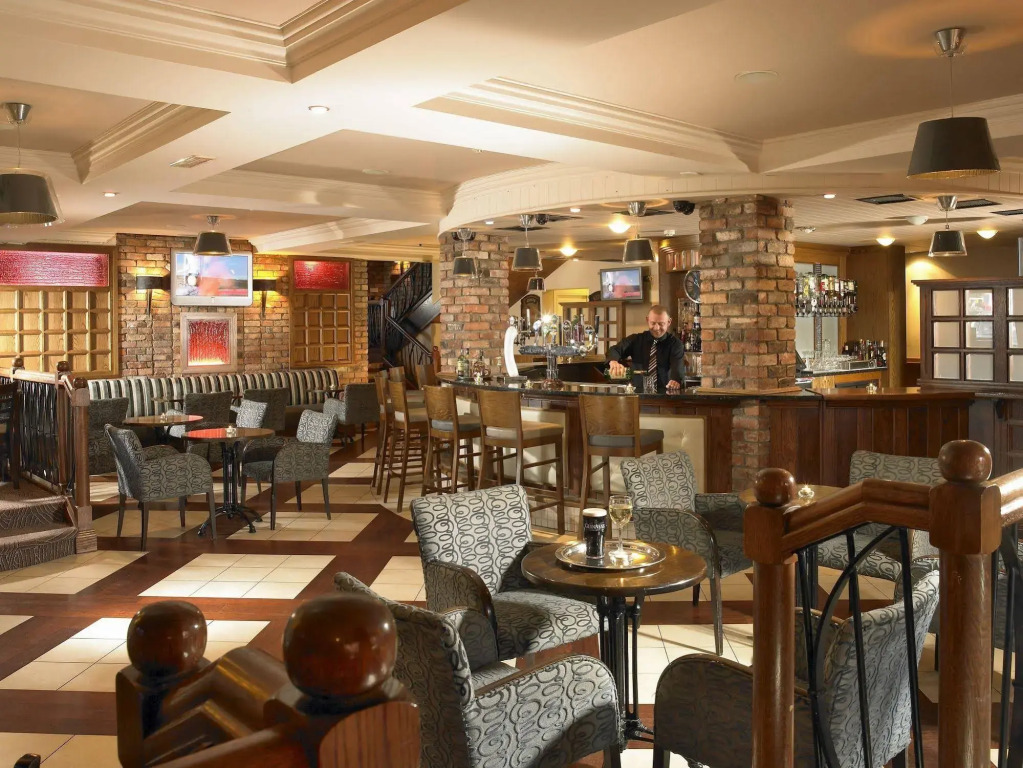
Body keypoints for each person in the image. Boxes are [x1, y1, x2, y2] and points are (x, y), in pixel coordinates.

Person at [607, 306, 685, 393]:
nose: (656, 328)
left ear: (669, 322)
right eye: (653, 323)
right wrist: (613, 361)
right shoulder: (636, 339)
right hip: (637, 393)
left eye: (661, 324)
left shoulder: (675, 344)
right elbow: (614, 350)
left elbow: (677, 369)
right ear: (647, 320)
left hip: (665, 394)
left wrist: (675, 381)